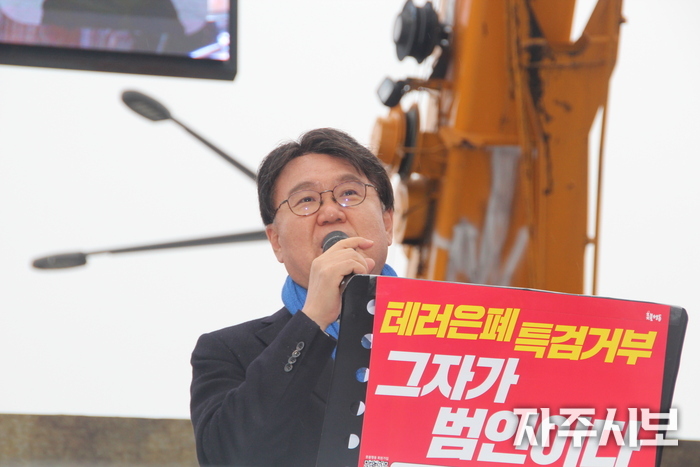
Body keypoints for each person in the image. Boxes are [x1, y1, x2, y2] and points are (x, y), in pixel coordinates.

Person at [189, 128, 396, 466]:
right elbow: (226, 457)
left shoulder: (469, 333)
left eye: (349, 193)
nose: (331, 213)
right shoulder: (228, 352)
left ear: (387, 223)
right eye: (306, 201)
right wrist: (312, 322)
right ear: (277, 242)